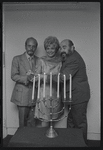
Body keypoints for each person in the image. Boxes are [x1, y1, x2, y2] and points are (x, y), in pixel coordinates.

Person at [59, 39, 90, 144]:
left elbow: (63, 77)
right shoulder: (68, 58)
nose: (62, 49)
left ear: (72, 47)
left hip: (78, 96)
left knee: (79, 123)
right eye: (61, 47)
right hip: (73, 96)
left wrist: (45, 77)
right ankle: (71, 143)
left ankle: (82, 145)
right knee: (71, 121)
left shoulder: (73, 59)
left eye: (64, 47)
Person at [34, 36, 63, 127]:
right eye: (47, 48)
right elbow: (36, 77)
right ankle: (43, 139)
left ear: (56, 49)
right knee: (44, 118)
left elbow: (62, 78)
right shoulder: (41, 60)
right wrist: (34, 76)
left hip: (55, 92)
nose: (50, 51)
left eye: (52, 48)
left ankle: (51, 136)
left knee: (53, 118)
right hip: (44, 93)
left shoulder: (60, 61)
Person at [11, 37, 40, 127]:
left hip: (34, 95)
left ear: (36, 47)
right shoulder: (17, 59)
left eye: (33, 46)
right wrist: (27, 78)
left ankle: (31, 140)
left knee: (32, 122)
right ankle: (21, 140)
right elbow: (14, 76)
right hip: (22, 96)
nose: (31, 48)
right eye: (29, 46)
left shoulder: (39, 60)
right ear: (25, 46)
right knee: (22, 123)